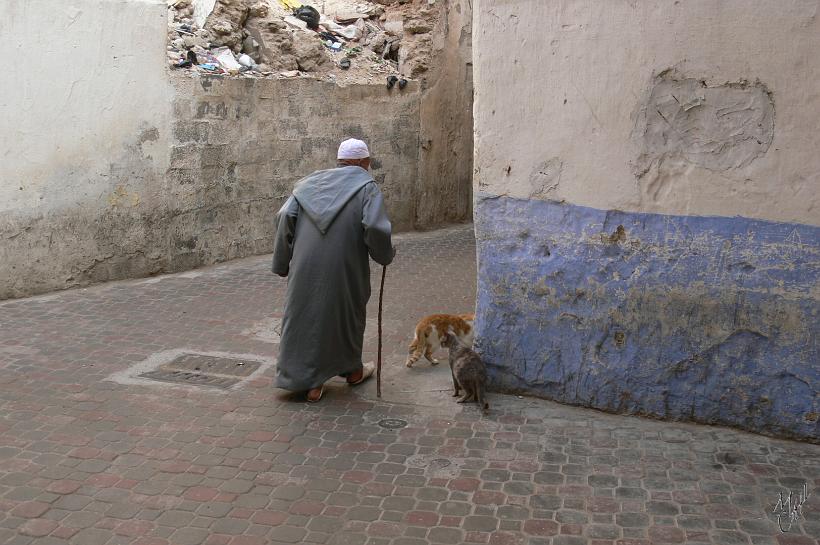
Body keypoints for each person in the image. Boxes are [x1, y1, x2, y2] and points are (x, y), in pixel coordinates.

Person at [272, 138, 395, 402]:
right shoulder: (366, 187)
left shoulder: (309, 184)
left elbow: (284, 217)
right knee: (346, 315)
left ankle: (325, 376)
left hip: (305, 264)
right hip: (345, 265)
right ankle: (342, 374)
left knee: (305, 315)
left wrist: (282, 263)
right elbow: (374, 227)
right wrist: (384, 255)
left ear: (339, 162)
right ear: (365, 163)